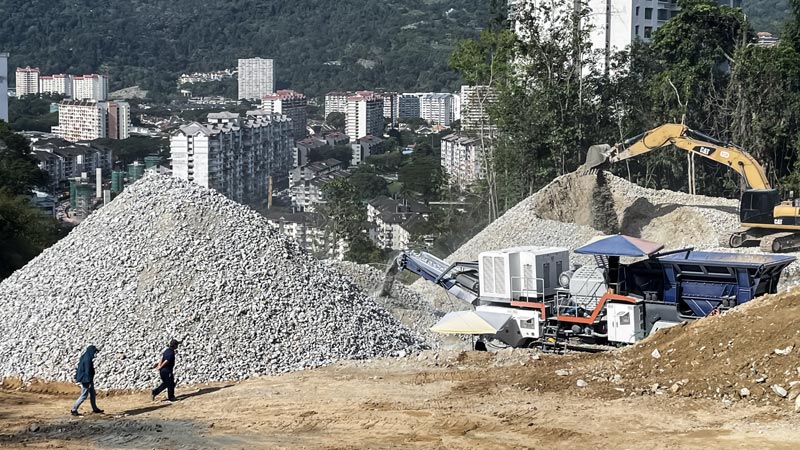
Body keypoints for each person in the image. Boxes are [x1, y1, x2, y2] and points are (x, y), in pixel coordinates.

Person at [70, 345, 103, 416]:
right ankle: (74, 409)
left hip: (87, 379)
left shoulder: (85, 356)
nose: (95, 354)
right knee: (84, 395)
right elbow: (87, 371)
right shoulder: (87, 359)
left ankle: (95, 408)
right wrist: (88, 381)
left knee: (93, 394)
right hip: (86, 380)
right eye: (94, 352)